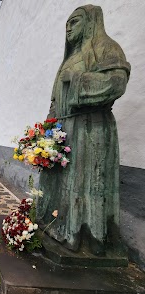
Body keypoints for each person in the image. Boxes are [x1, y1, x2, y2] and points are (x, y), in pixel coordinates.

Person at [37, 5, 130, 256]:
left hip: (90, 129)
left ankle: (84, 236)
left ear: (90, 23)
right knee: (60, 184)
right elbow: (55, 101)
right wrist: (45, 133)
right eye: (66, 23)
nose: (68, 27)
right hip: (63, 132)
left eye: (75, 22)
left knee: (84, 185)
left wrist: (75, 83)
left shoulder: (106, 48)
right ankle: (59, 227)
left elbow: (116, 82)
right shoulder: (68, 59)